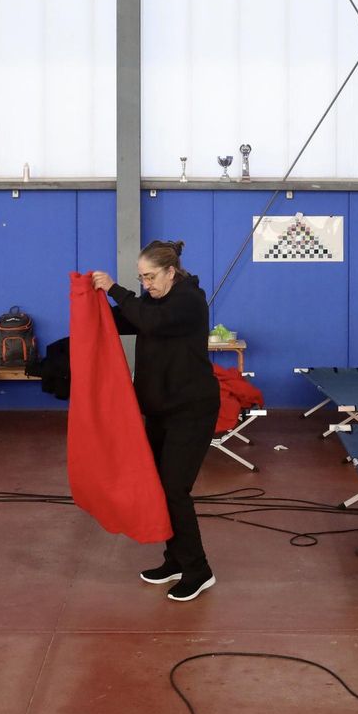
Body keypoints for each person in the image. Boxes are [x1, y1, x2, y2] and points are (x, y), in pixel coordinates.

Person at [91, 240, 221, 602]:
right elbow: (128, 319)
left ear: (170, 271)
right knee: (158, 486)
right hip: (161, 410)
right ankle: (175, 560)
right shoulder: (154, 298)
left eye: (150, 277)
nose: (146, 284)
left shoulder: (188, 301)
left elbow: (151, 320)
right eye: (141, 278)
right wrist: (91, 303)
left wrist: (116, 288)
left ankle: (199, 570)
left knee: (175, 489)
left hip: (191, 410)